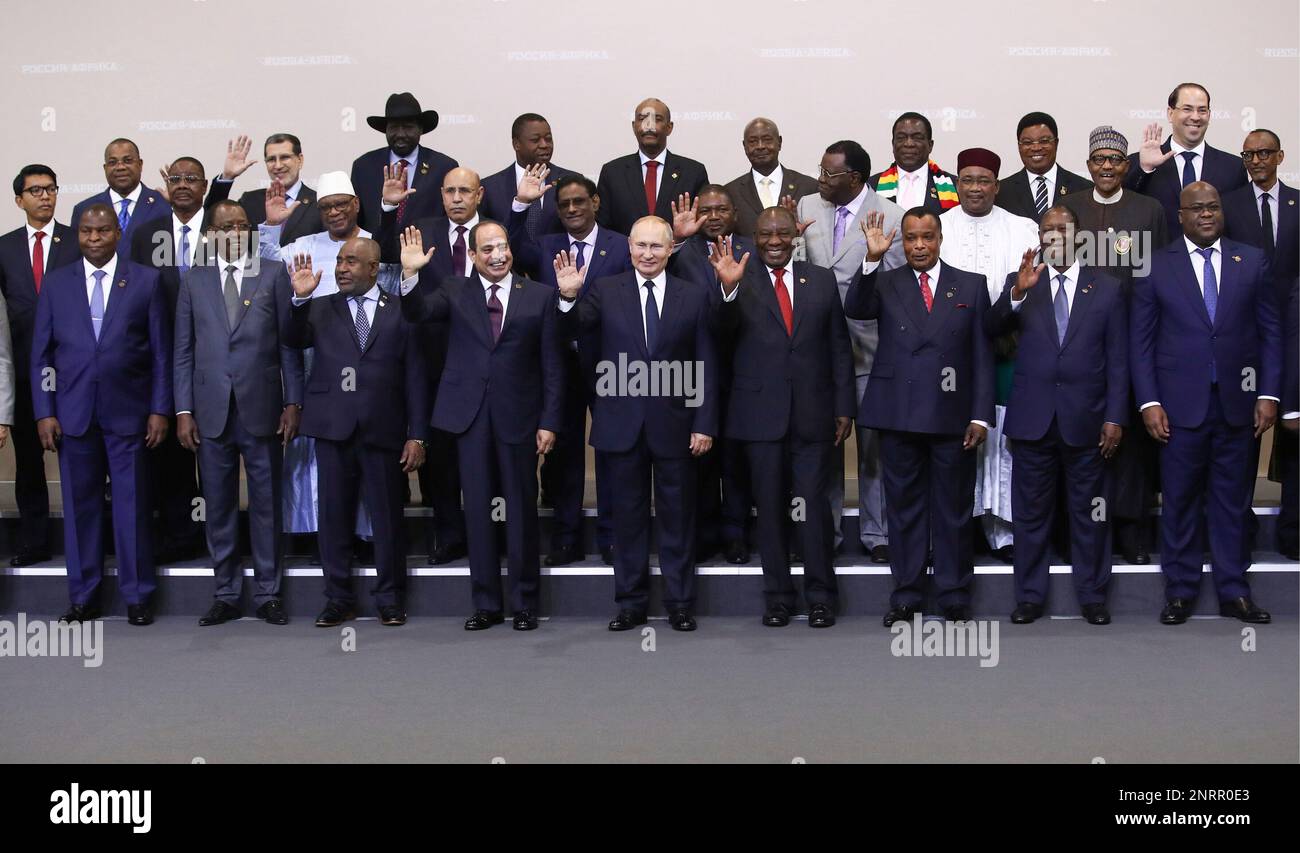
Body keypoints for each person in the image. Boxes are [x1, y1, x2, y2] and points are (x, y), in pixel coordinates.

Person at [555, 216, 718, 632]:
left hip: (677, 427)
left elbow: (706, 363)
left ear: (669, 250)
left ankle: (680, 603)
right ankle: (630, 603)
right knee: (626, 519)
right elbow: (570, 331)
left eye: (656, 247)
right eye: (641, 246)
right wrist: (568, 297)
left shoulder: (694, 295)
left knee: (678, 518)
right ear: (629, 248)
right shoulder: (605, 290)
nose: (648, 254)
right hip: (620, 424)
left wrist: (703, 423)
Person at [399, 221, 564, 631]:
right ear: (472, 256)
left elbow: (553, 367)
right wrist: (409, 274)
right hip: (468, 419)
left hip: (520, 419)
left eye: (502, 247)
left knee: (521, 511)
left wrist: (549, 421)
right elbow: (417, 313)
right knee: (476, 511)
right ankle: (487, 603)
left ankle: (525, 603)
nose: (497, 255)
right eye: (487, 249)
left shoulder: (540, 297)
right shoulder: (455, 291)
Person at [1131, 182, 1281, 625]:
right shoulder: (1156, 266)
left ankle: (1235, 591)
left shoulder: (1251, 261)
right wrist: (1149, 402)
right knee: (1178, 501)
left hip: (1238, 405)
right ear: (1180, 216)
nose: (1206, 214)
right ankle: (1180, 591)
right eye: (1196, 208)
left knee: (1233, 502)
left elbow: (1271, 333)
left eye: (1213, 207)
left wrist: (1269, 393)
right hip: (1177, 409)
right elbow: (1140, 343)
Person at [846, 209, 994, 625]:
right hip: (900, 415)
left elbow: (981, 356)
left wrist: (981, 416)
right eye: (910, 238)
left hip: (953, 417)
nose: (918, 246)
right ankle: (907, 594)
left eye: (926, 237)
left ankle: (952, 595)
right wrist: (872, 259)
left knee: (952, 510)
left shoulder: (970, 284)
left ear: (940, 238)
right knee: (904, 509)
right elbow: (855, 308)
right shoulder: (887, 281)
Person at [708, 207, 854, 627]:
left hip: (814, 416)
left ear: (795, 235)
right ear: (753, 236)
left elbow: (839, 347)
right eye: (766, 233)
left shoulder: (820, 279)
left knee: (812, 509)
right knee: (770, 511)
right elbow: (717, 336)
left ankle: (821, 597)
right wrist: (728, 291)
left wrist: (844, 406)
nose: (774, 241)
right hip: (758, 418)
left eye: (782, 233)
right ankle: (778, 599)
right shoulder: (737, 277)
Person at [986, 206, 1127, 625]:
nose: (1055, 236)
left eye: (1063, 229)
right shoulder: (1024, 281)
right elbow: (989, 329)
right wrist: (1017, 294)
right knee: (1030, 515)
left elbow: (1119, 361)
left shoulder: (1108, 288)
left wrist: (1116, 416)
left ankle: (1093, 596)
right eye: (1047, 230)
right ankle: (1030, 596)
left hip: (1089, 421)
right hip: (1033, 420)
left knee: (1091, 512)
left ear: (1079, 235)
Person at [32, 203, 171, 626]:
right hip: (71, 415)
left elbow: (161, 354)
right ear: (79, 235)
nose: (94, 239)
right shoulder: (56, 285)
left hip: (129, 413)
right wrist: (44, 411)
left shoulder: (146, 280)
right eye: (87, 233)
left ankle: (137, 596)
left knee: (130, 507)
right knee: (79, 509)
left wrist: (159, 408)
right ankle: (84, 596)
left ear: (117, 234)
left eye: (103, 231)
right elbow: (42, 356)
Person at [286, 238, 429, 628]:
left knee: (386, 519)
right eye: (339, 262)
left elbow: (416, 377)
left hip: (384, 430)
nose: (342, 268)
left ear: (373, 268)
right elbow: (291, 338)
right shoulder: (318, 308)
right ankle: (338, 599)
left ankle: (390, 599)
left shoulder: (401, 311)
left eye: (352, 261)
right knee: (334, 517)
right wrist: (298, 300)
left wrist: (417, 434)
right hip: (333, 430)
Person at [174, 200, 303, 626]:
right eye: (225, 226)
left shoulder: (272, 273)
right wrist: (183, 409)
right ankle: (226, 593)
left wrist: (293, 402)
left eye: (242, 225)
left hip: (263, 407)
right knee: (220, 504)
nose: (234, 232)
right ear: (211, 234)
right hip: (210, 411)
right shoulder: (194, 280)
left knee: (267, 504)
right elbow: (184, 352)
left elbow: (288, 345)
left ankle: (268, 593)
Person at [509, 171, 630, 566]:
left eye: (580, 201)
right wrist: (521, 205)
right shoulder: (546, 247)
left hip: (611, 365)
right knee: (563, 456)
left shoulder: (622, 245)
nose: (573, 209)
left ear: (595, 202)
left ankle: (612, 537)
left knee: (612, 451)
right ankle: (566, 538)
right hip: (558, 366)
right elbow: (509, 250)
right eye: (564, 205)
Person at [1062, 126, 1169, 564]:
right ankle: (1082, 532)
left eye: (1116, 160)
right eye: (1099, 159)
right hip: (1081, 342)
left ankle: (1130, 530)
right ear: (1088, 165)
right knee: (1085, 437)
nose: (1107, 166)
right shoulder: (1069, 207)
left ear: (1127, 165)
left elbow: (1162, 272)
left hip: (1134, 338)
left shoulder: (1149, 210)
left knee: (1130, 443)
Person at [797, 140, 904, 563]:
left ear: (855, 178)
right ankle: (829, 532)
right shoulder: (806, 207)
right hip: (819, 355)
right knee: (826, 448)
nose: (820, 180)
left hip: (872, 353)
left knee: (875, 451)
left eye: (829, 174)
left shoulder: (891, 216)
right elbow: (798, 271)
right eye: (820, 171)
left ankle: (878, 534)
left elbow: (896, 291)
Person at [375, 167, 482, 565]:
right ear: (441, 194)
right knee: (438, 455)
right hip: (432, 356)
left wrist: (522, 208)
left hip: (485, 358)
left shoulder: (495, 233)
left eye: (464, 191)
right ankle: (449, 534)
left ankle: (486, 534)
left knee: (482, 452)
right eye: (450, 190)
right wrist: (389, 209)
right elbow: (386, 252)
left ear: (479, 195)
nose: (456, 198)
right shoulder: (422, 229)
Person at [940, 147, 1039, 562]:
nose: (975, 187)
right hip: (947, 354)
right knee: (951, 443)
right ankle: (957, 533)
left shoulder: (1023, 228)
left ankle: (1001, 533)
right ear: (957, 184)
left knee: (999, 442)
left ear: (997, 186)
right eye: (967, 180)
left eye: (984, 181)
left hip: (1004, 347)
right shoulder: (938, 226)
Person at [131, 156, 215, 563]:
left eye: (192, 179)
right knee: (174, 457)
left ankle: (220, 539)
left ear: (204, 186)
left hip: (220, 359)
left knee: (218, 451)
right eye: (175, 178)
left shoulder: (228, 227)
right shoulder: (145, 234)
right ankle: (182, 538)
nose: (183, 184)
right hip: (164, 358)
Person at [667, 186, 756, 563]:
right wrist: (675, 240)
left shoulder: (754, 247)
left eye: (722, 209)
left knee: (736, 459)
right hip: (691, 370)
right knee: (698, 458)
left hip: (743, 367)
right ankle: (704, 534)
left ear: (735, 214)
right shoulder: (680, 251)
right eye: (707, 210)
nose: (715, 216)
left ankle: (736, 535)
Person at [1222, 130, 1299, 559]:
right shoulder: (1228, 203)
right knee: (1244, 432)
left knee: (1294, 425)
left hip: (1294, 333)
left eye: (1264, 153)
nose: (1256, 160)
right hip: (1243, 337)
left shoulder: (1298, 203)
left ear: (1280, 156)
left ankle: (1293, 526)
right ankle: (1241, 530)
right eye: (1249, 154)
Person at [0, 165, 80, 566]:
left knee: (79, 459)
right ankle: (34, 541)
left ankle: (86, 540)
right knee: (30, 461)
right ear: (20, 200)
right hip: (24, 369)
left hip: (74, 373)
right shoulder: (4, 247)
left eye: (50, 189)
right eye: (35, 191)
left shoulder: (78, 241)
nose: (44, 196)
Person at [1126, 83, 1248, 235]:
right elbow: (1123, 208)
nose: (1195, 117)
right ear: (1170, 113)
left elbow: (1240, 222)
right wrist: (1145, 170)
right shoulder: (1141, 163)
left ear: (1209, 115)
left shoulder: (1233, 167)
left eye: (1202, 110)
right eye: (1187, 109)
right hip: (1158, 256)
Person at [595, 98, 709, 235]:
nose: (649, 125)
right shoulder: (612, 172)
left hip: (679, 255)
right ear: (633, 126)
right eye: (642, 119)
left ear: (669, 127)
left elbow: (702, 228)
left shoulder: (693, 172)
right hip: (624, 255)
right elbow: (603, 228)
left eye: (657, 119)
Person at [352, 92, 458, 233]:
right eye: (394, 127)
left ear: (420, 129)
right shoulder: (363, 167)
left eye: (408, 127)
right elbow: (356, 220)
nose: (401, 134)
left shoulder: (444, 166)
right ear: (386, 130)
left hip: (427, 251)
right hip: (376, 252)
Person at [206, 133, 325, 246]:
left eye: (285, 157)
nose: (278, 166)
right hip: (255, 267)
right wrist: (227, 177)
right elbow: (209, 219)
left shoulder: (319, 203)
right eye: (271, 159)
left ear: (300, 160)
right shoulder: (250, 201)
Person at [479, 113, 575, 250]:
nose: (544, 145)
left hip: (559, 267)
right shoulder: (490, 187)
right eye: (536, 140)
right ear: (516, 144)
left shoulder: (571, 181)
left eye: (548, 139)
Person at [723, 117, 819, 238]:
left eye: (767, 140)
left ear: (779, 142)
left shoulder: (809, 187)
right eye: (753, 141)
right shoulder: (730, 192)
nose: (760, 146)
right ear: (744, 146)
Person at [995, 112, 1092, 222]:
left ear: (1056, 143)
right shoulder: (1001, 192)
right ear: (1019, 146)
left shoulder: (1084, 188)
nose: (1036, 148)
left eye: (1044, 141)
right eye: (1027, 142)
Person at [71, 138, 170, 244]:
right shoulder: (84, 210)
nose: (120, 167)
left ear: (140, 165)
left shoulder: (163, 204)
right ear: (105, 168)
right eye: (113, 162)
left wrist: (178, 206)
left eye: (127, 161)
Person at [868, 112, 959, 215]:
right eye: (901, 137)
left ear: (930, 145)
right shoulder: (870, 187)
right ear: (893, 144)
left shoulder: (954, 186)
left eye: (917, 138)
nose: (909, 144)